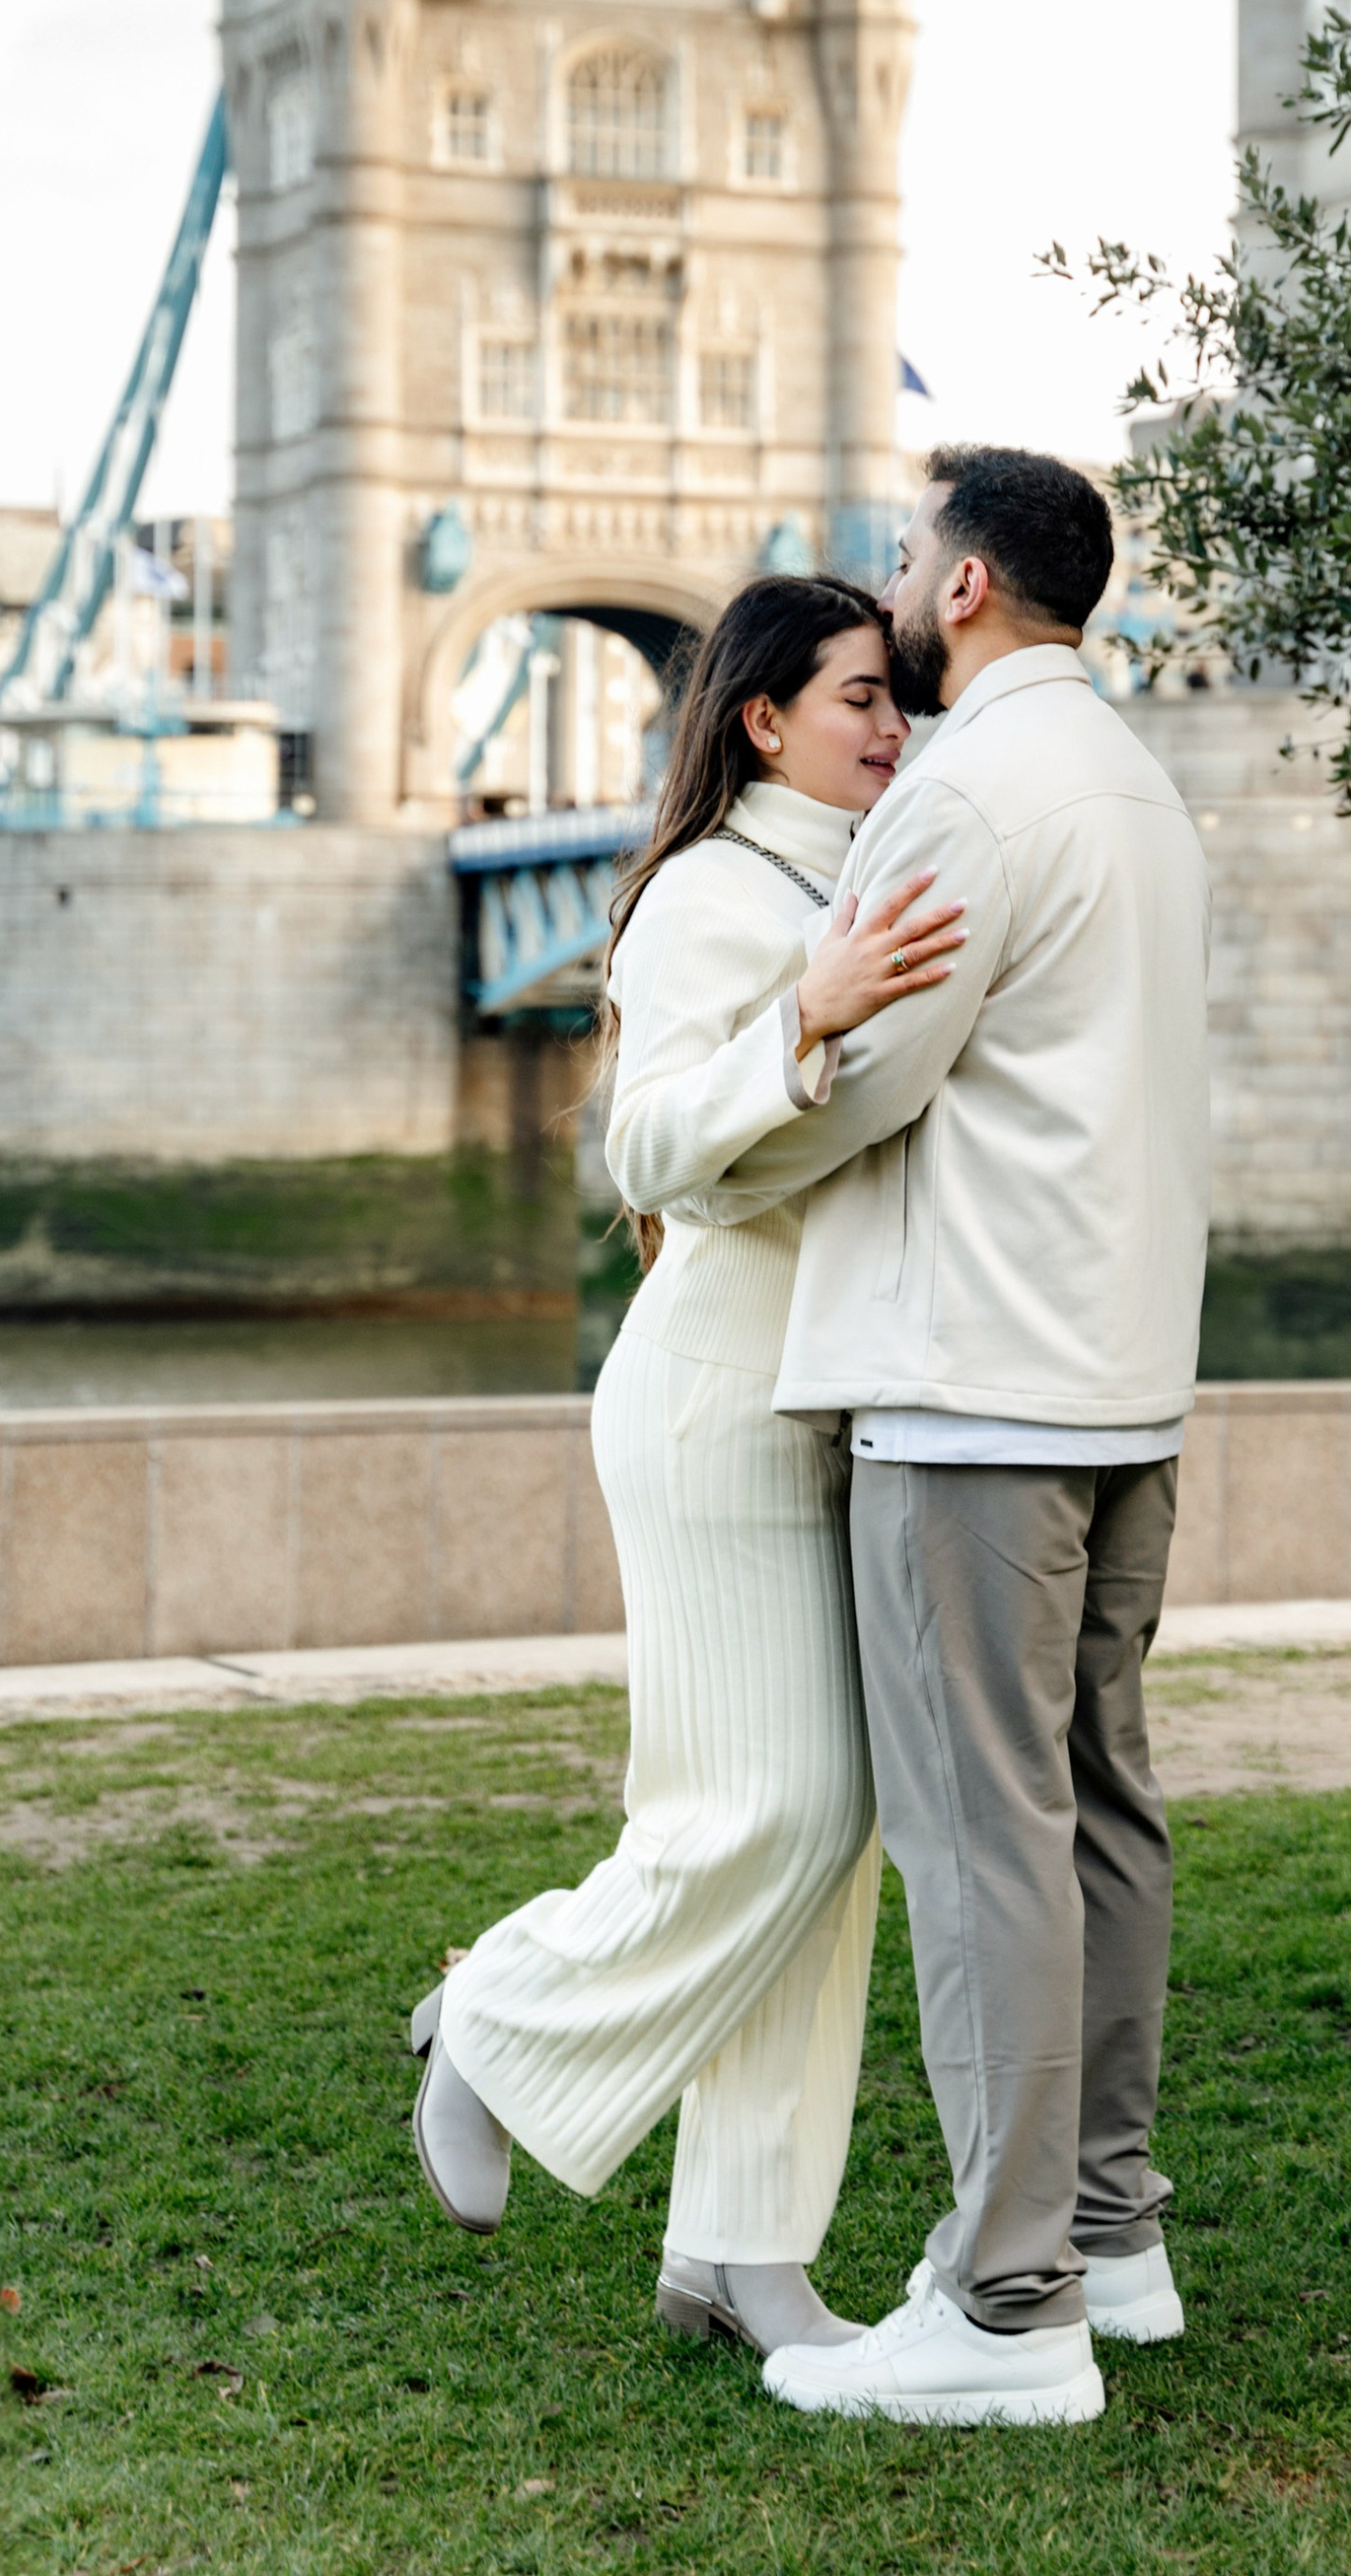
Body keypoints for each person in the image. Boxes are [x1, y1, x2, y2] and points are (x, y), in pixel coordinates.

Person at [406, 574, 965, 2361]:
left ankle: (741, 2252)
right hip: (720, 1397)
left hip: (842, 1400)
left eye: (902, 701)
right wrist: (800, 1021)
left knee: (829, 1838)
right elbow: (648, 1149)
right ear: (765, 720)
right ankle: (497, 2014)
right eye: (863, 698)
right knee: (763, 1811)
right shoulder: (714, 898)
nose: (893, 726)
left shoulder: (861, 878)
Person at [711, 448, 1213, 2430]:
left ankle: (1006, 2309)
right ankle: (1108, 2229)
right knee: (1095, 1801)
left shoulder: (963, 790)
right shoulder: (1135, 784)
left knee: (976, 1832)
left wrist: (744, 1108)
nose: (897, 583)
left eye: (915, 555)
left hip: (970, 1380)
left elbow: (872, 1074)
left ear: (974, 582)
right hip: (1117, 1374)